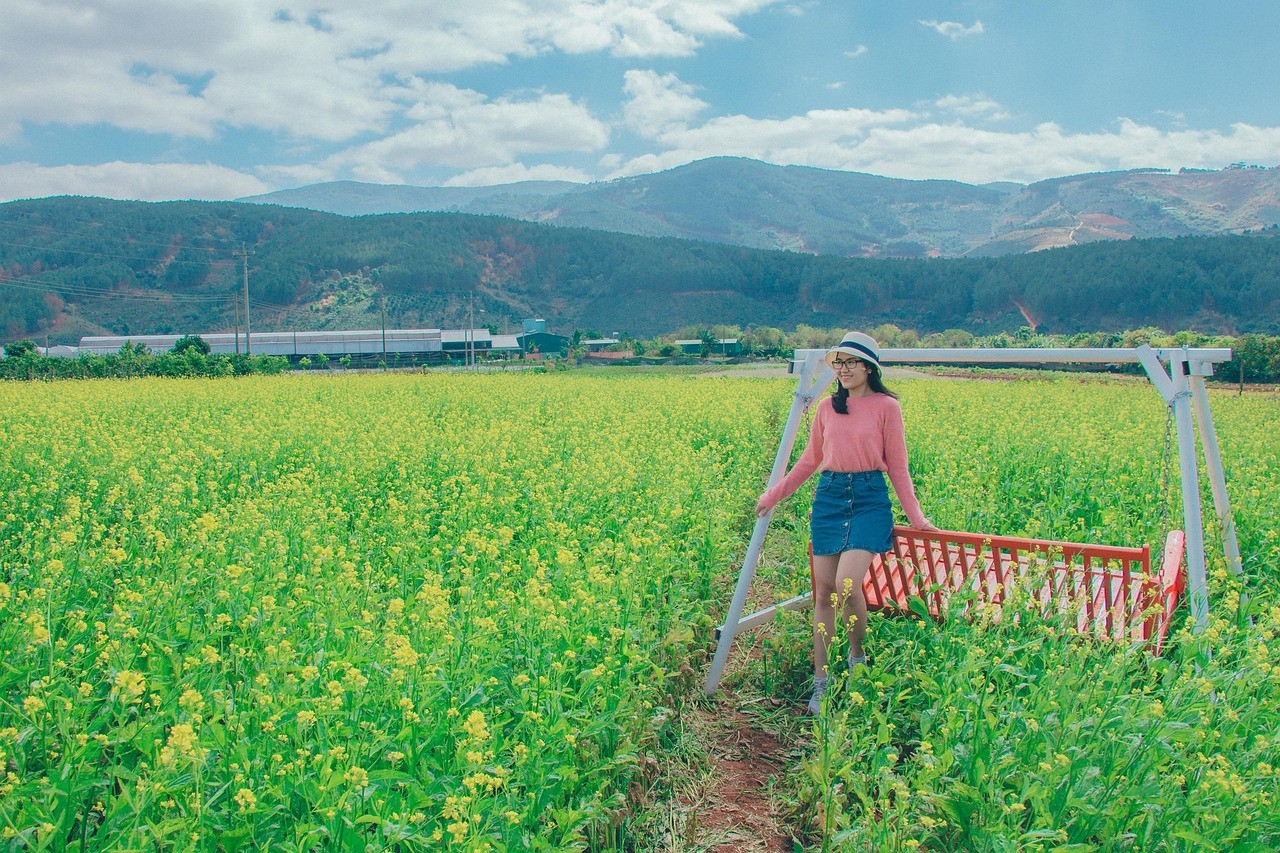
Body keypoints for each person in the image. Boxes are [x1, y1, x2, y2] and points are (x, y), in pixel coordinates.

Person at [754, 331, 937, 714]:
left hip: (870, 498)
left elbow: (898, 468)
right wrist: (773, 495)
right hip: (831, 497)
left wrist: (917, 518)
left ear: (870, 367)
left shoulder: (887, 407)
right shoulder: (826, 408)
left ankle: (857, 662)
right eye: (839, 362)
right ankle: (822, 682)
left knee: (847, 585)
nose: (844, 369)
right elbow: (810, 461)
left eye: (852, 362)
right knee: (823, 593)